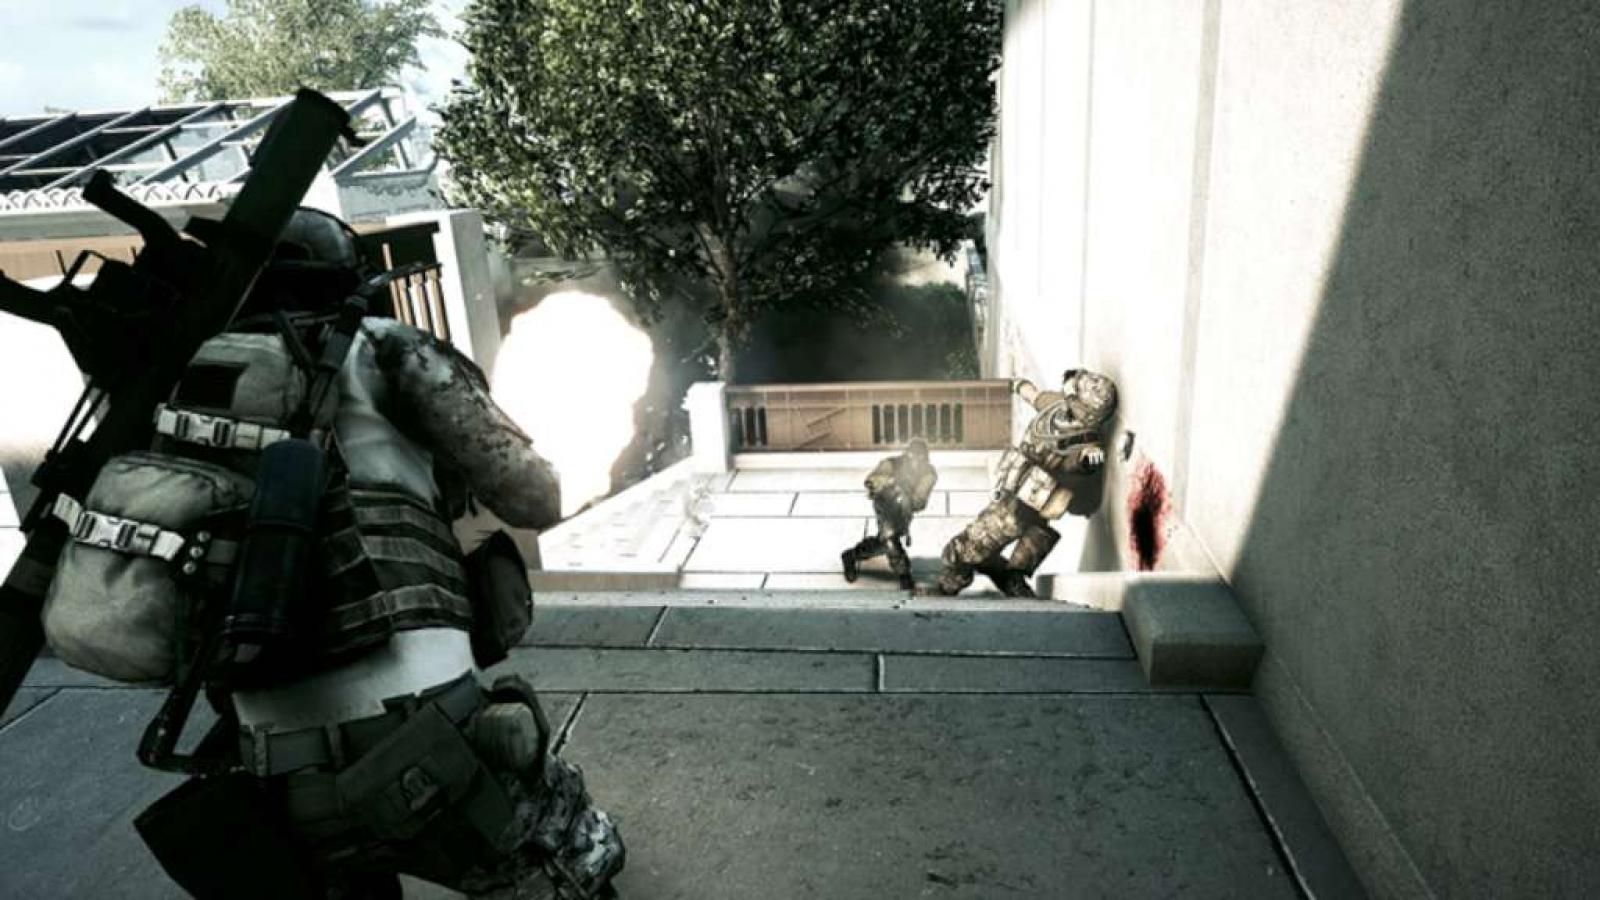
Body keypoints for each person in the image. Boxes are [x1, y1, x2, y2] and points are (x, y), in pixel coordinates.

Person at [117, 210, 623, 899]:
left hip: (266, 771)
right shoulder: (382, 348)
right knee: (573, 857)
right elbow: (534, 496)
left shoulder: (174, 380)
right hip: (428, 744)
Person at [931, 369, 1117, 597]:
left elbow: (1080, 465)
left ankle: (961, 585)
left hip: (1031, 500)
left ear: (1085, 410)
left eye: (1076, 392)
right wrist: (1016, 385)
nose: (1070, 390)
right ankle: (961, 582)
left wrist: (1088, 460)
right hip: (1014, 489)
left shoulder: (1084, 443)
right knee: (976, 550)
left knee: (973, 547)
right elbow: (1034, 396)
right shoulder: (1056, 406)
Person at [841, 438, 938, 590]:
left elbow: (919, 501)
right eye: (913, 457)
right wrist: (889, 484)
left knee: (883, 542)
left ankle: (852, 555)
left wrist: (904, 497)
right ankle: (904, 573)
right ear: (907, 455)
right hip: (884, 504)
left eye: (921, 459)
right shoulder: (892, 463)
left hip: (904, 508)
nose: (916, 463)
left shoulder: (928, 473)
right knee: (889, 538)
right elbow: (871, 481)